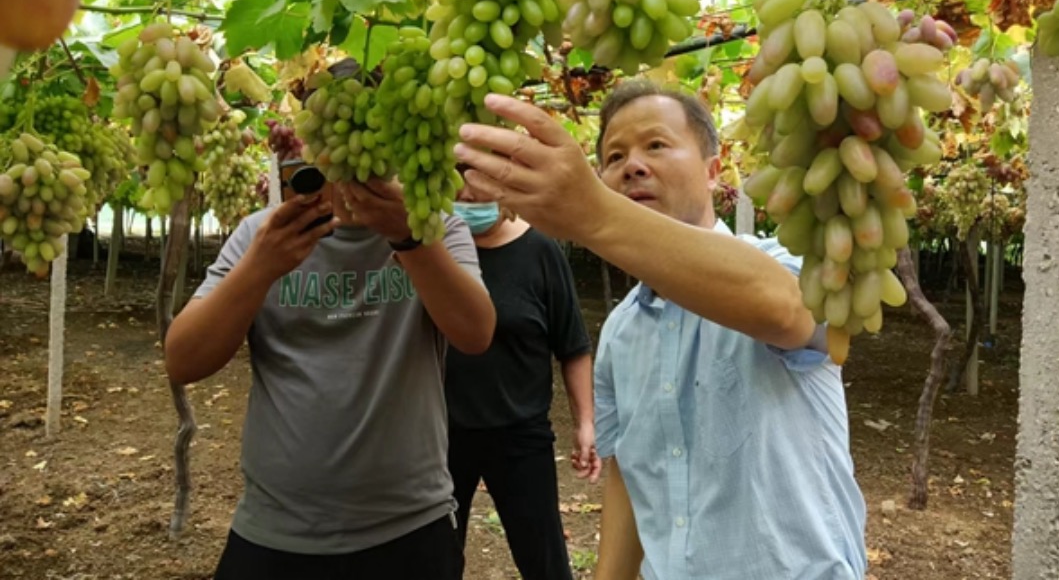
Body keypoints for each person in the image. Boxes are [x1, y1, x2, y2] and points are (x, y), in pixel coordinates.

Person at [453, 80, 868, 580]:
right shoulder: (622, 333)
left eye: (656, 145)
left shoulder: (784, 265)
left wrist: (592, 215)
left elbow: (786, 313)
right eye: (613, 156)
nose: (632, 165)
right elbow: (630, 477)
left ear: (714, 172)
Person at [164, 172, 496, 580]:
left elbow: (476, 333)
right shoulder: (264, 234)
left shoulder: (436, 226)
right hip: (278, 530)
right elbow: (183, 360)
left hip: (410, 525)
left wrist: (410, 237)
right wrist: (261, 266)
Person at [446, 170, 602, 580]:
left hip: (520, 436)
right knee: (434, 561)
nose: (466, 192)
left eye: (478, 181)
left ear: (504, 185)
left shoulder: (540, 252)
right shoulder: (433, 251)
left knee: (545, 563)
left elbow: (573, 346)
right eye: (456, 180)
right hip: (440, 436)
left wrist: (585, 421)